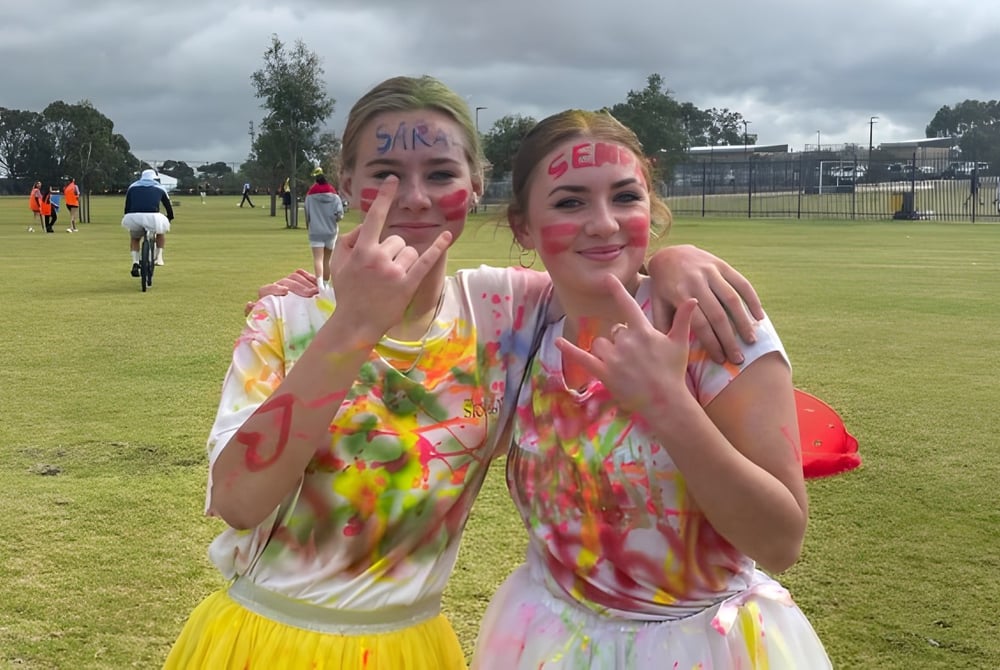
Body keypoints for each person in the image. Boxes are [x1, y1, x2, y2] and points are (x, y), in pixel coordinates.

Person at [163, 75, 763, 670]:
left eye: (442, 174)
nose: (415, 196)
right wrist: (351, 326)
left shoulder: (505, 309)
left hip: (413, 644)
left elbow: (598, 259)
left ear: (476, 185)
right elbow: (239, 501)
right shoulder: (286, 319)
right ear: (347, 184)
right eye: (385, 173)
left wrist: (675, 261)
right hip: (268, 639)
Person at [470, 110, 830, 668]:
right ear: (523, 226)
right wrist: (290, 298)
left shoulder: (711, 326)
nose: (604, 224)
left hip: (698, 646)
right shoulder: (524, 330)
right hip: (548, 638)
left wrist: (668, 405)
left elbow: (781, 542)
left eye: (625, 197)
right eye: (570, 202)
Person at [121, 169, 173, 276]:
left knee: (135, 238)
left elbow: (127, 206)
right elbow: (168, 206)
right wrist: (169, 218)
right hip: (153, 216)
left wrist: (128, 216)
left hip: (134, 216)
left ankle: (135, 262)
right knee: (160, 232)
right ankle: (159, 258)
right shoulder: (159, 187)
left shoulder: (132, 187)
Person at [303, 167, 344, 287]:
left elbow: (307, 213)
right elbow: (340, 215)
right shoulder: (335, 197)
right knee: (327, 260)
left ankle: (320, 285)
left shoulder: (310, 196)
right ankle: (326, 285)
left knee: (318, 259)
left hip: (315, 231)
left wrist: (308, 225)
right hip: (330, 231)